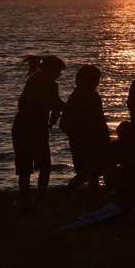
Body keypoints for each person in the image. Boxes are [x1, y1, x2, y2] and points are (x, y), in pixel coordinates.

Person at [11, 54, 66, 214]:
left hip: (36, 129)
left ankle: (37, 201)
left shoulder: (48, 84)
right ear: (51, 69)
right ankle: (31, 203)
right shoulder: (36, 82)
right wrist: (68, 109)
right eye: (58, 71)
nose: (59, 75)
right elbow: (52, 103)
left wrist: (54, 115)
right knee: (27, 169)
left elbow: (54, 104)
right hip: (25, 129)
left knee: (43, 166)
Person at [58, 64, 110, 206]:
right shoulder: (77, 97)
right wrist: (78, 137)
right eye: (95, 79)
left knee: (96, 171)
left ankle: (90, 202)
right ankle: (68, 191)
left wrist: (104, 138)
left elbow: (100, 120)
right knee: (87, 172)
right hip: (82, 141)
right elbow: (64, 123)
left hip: (94, 140)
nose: (97, 82)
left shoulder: (93, 96)